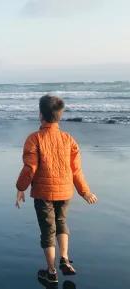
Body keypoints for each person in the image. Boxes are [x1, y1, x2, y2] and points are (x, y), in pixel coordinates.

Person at [15, 93, 98, 285]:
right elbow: (76, 169)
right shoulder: (68, 139)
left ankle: (52, 272)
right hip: (65, 191)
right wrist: (85, 191)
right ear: (59, 115)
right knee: (61, 223)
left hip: (43, 193)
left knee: (47, 231)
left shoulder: (34, 138)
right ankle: (64, 258)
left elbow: (30, 168)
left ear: (41, 115)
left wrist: (20, 188)